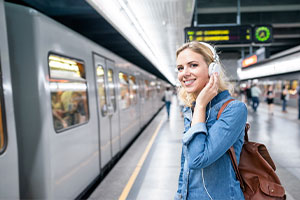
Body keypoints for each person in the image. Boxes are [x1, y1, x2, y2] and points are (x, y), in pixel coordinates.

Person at [175, 41, 247, 200]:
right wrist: (179, 195)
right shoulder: (191, 109)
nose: (184, 73)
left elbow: (196, 159)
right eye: (180, 68)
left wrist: (200, 105)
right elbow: (185, 165)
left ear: (212, 68)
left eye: (192, 65)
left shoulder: (234, 109)